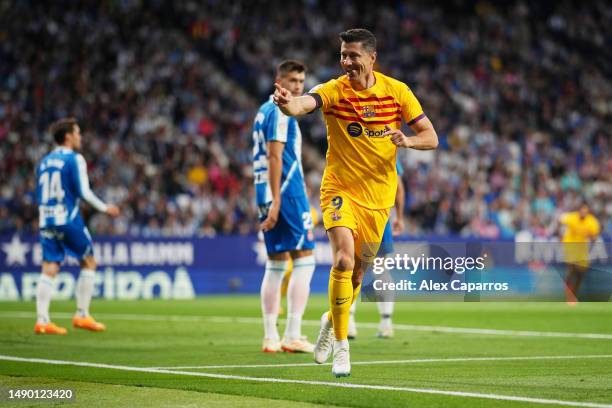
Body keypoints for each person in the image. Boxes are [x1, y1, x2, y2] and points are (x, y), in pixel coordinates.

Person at [273, 28, 438, 376]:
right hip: (340, 190)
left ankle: (331, 322)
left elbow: (431, 137)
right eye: (343, 55)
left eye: (353, 56)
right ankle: (342, 346)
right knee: (344, 260)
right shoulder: (335, 89)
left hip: (379, 199)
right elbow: (306, 103)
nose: (346, 62)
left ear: (372, 58)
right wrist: (289, 105)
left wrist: (406, 142)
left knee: (358, 275)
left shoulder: (397, 92)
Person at [253, 60, 317, 353]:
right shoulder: (280, 111)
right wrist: (278, 201)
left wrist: (268, 199)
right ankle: (292, 334)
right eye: (292, 81)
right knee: (305, 259)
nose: (297, 87)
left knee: (276, 262)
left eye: (301, 82)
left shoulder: (262, 111)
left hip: (264, 191)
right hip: (287, 193)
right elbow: (274, 157)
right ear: (278, 80)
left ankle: (270, 337)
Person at [34, 117, 120, 334]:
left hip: (46, 218)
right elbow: (83, 191)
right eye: (77, 133)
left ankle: (42, 320)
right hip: (67, 218)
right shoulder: (75, 159)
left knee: (50, 266)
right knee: (89, 261)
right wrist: (104, 208)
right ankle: (82, 314)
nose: (80, 137)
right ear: (68, 136)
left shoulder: (44, 161)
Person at [348, 159, 405, 339]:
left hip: (355, 216)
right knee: (379, 270)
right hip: (376, 216)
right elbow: (399, 186)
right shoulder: (385, 150)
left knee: (352, 269)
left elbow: (398, 186)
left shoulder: (351, 146)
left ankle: (348, 322)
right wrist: (400, 217)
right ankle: (385, 322)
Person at [559, 203, 600, 304]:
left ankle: (573, 295)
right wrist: (560, 233)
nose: (583, 212)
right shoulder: (572, 217)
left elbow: (594, 237)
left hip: (582, 248)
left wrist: (592, 238)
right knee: (572, 267)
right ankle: (568, 289)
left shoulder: (592, 222)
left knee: (580, 273)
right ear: (579, 211)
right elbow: (560, 221)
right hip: (570, 244)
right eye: (582, 210)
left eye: (585, 210)